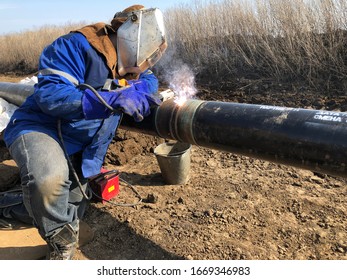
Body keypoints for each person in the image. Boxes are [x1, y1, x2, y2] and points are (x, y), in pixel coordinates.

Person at [0, 4, 167, 260]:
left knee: (66, 206)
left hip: (82, 140)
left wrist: (141, 88)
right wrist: (108, 100)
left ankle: (11, 206)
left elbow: (150, 79)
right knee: (49, 182)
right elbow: (50, 95)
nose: (141, 65)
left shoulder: (131, 60)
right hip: (41, 128)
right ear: (127, 34)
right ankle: (61, 247)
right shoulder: (76, 46)